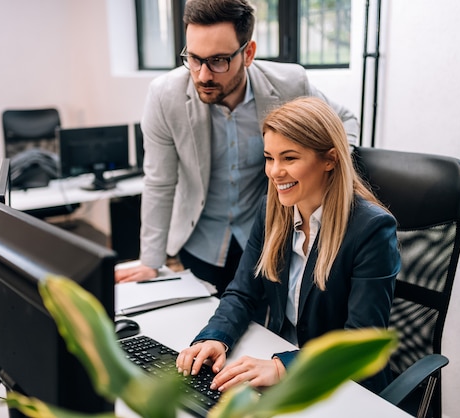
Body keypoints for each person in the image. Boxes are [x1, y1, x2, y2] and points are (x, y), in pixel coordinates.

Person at [115, 0, 359, 297]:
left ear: (248, 54)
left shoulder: (289, 84)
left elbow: (343, 121)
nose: (203, 75)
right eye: (194, 59)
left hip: (272, 239)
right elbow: (159, 182)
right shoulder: (165, 96)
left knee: (271, 328)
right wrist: (151, 261)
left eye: (218, 61)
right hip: (201, 242)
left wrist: (327, 176)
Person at [175, 97, 401, 394]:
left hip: (342, 383)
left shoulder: (371, 229)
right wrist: (215, 337)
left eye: (290, 158)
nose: (274, 172)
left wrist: (283, 367)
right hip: (278, 360)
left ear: (330, 159)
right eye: (270, 157)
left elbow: (360, 341)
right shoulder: (273, 210)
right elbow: (243, 292)